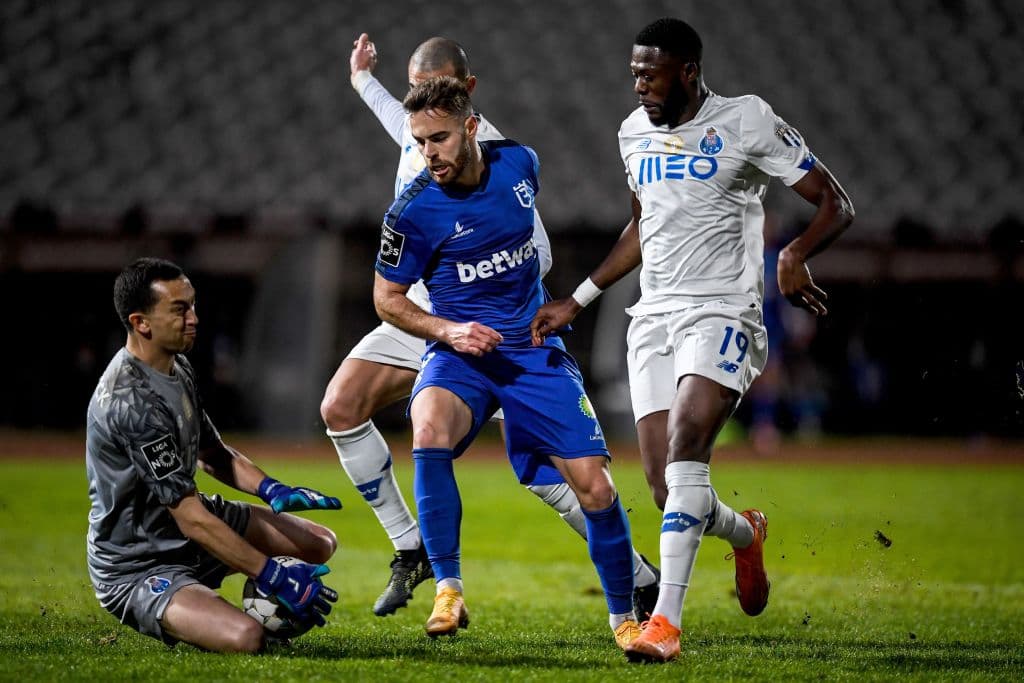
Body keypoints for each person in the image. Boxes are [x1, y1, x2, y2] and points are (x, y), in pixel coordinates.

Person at [531, 18, 855, 663]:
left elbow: (834, 203)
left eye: (650, 73)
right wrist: (579, 299)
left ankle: (666, 626)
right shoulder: (632, 132)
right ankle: (744, 532)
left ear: (688, 70)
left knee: (686, 456)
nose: (640, 85)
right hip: (654, 317)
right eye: (633, 74)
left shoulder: (746, 119)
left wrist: (794, 252)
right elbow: (640, 226)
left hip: (724, 311)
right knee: (664, 486)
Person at [323, 33, 659, 618]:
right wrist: (361, 80)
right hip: (425, 314)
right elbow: (395, 119)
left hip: (495, 321)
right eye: (413, 92)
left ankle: (637, 578)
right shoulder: (424, 131)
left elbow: (536, 251)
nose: (421, 108)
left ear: (467, 100)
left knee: (547, 473)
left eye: (434, 94)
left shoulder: (502, 158)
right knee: (341, 406)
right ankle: (413, 548)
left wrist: (503, 294)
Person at [86, 258, 342, 653]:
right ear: (141, 322)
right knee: (246, 637)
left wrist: (272, 488)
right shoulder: (129, 402)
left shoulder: (177, 367)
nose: (194, 318)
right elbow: (191, 519)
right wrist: (270, 574)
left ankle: (205, 593)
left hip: (187, 528)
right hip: (139, 562)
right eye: (180, 309)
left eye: (193, 305)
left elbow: (212, 453)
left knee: (319, 543)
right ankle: (190, 600)